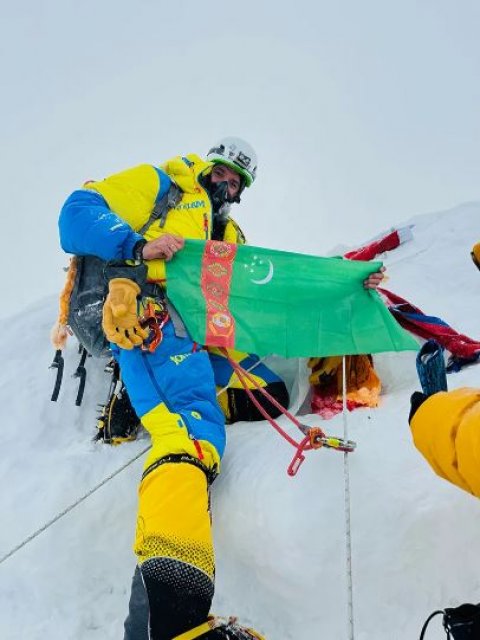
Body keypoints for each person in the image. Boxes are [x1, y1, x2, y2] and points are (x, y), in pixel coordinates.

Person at [58, 137, 385, 640]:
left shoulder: (231, 234)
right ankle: (174, 620)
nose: (228, 185)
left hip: (207, 341)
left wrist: (341, 287)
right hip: (156, 322)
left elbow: (266, 296)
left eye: (238, 182)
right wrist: (137, 247)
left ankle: (155, 411)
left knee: (270, 393)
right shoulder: (163, 184)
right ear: (209, 167)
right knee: (191, 435)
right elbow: (77, 211)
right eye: (225, 173)